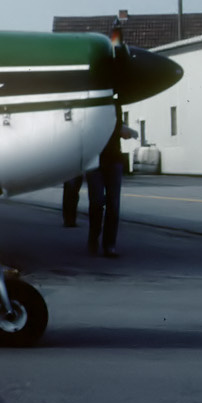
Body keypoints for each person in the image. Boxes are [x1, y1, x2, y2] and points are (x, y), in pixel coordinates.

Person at [87, 23, 136, 257]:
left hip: (112, 157)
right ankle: (94, 238)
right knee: (98, 203)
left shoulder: (114, 100)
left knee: (113, 206)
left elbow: (121, 63)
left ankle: (109, 244)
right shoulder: (94, 102)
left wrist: (117, 36)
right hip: (95, 157)